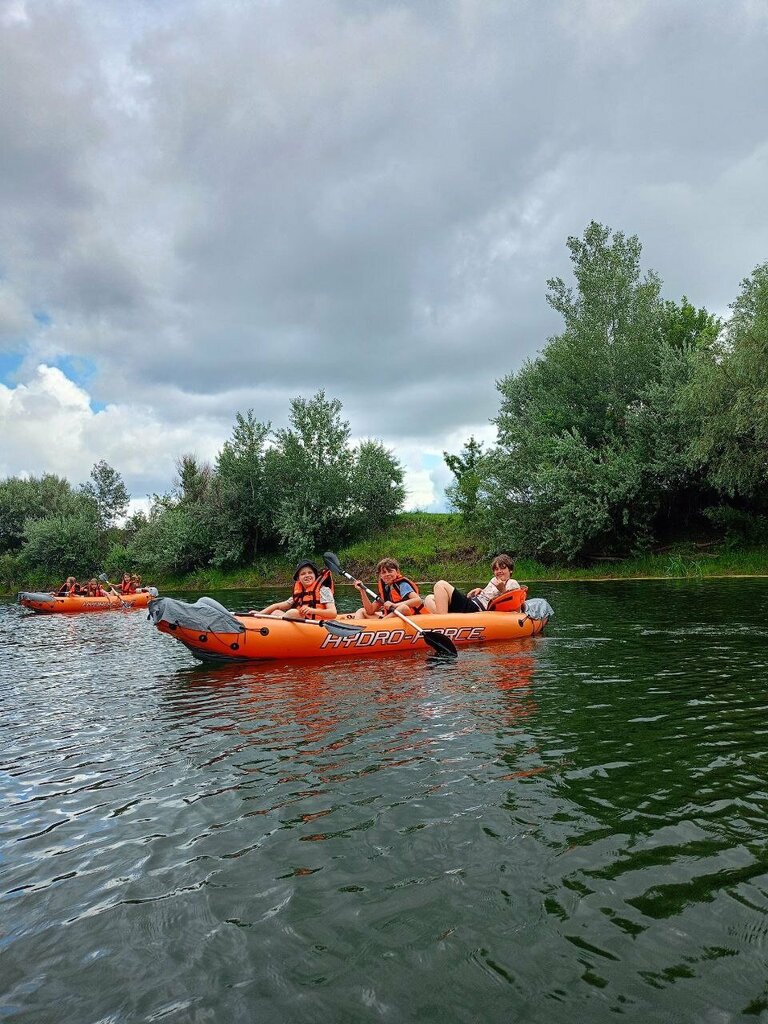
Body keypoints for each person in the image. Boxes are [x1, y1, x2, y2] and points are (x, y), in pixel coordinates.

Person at [423, 554, 526, 615]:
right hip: (472, 603)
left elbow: (515, 606)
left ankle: (443, 622)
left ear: (510, 570)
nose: (499, 571)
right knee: (429, 598)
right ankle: (444, 619)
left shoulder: (512, 583)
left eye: (503, 568)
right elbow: (488, 595)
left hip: (476, 609)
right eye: (496, 569)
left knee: (440, 585)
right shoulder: (494, 580)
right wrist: (480, 590)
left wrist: (503, 590)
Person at [252, 561, 338, 621]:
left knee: (293, 612)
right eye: (303, 574)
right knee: (276, 612)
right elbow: (277, 606)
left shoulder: (324, 590)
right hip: (304, 624)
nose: (307, 575)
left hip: (319, 625)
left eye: (310, 572)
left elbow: (333, 613)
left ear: (315, 575)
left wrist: (312, 611)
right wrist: (259, 613)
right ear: (298, 578)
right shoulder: (298, 593)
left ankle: (275, 629)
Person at [353, 558, 424, 619]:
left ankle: (381, 623)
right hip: (391, 619)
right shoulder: (385, 589)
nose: (387, 574)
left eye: (390, 571)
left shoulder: (402, 585)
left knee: (403, 608)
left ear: (397, 572)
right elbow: (370, 610)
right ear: (380, 575)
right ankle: (357, 630)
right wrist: (362, 591)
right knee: (361, 611)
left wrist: (395, 605)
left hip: (410, 617)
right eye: (383, 572)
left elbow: (418, 600)